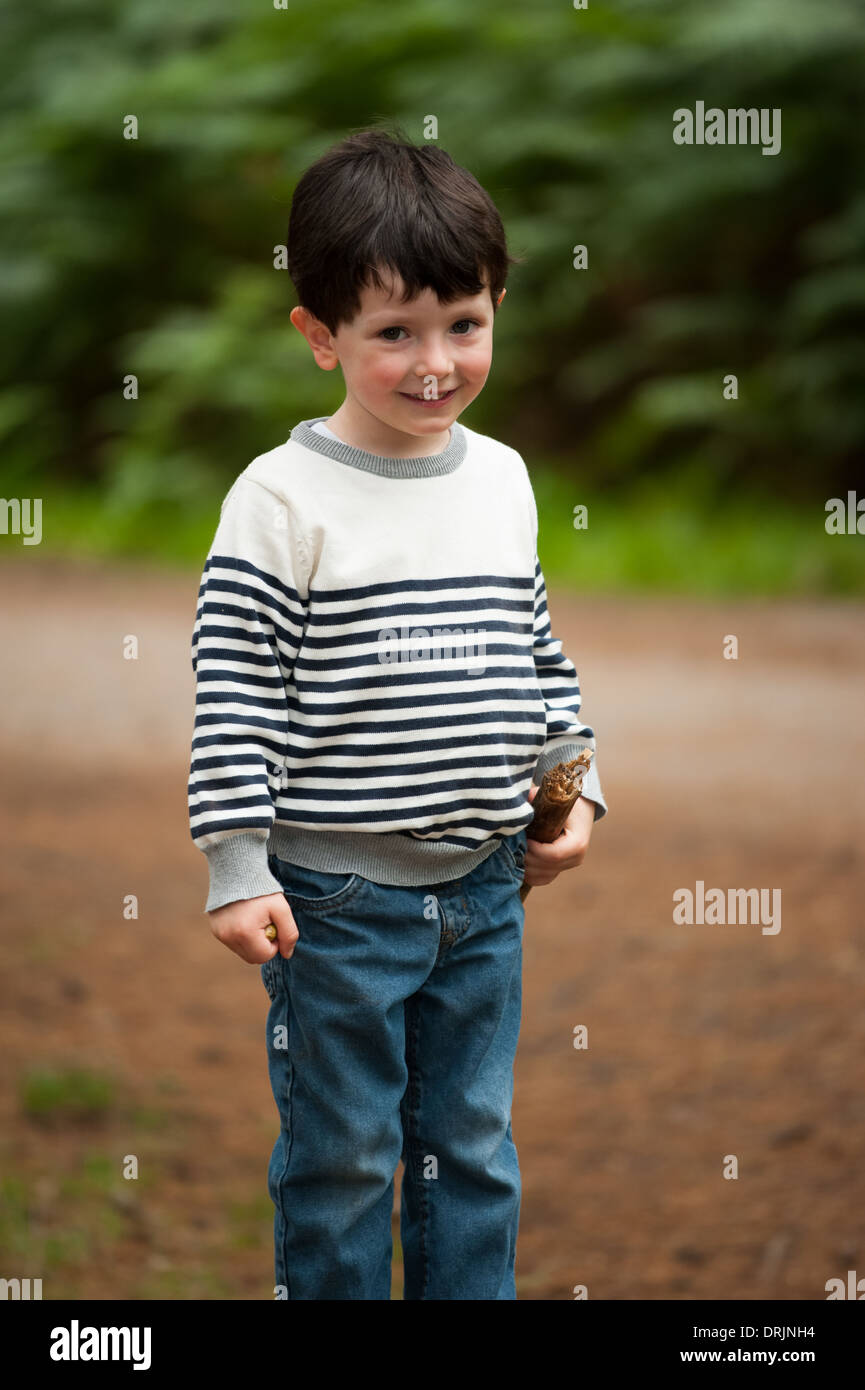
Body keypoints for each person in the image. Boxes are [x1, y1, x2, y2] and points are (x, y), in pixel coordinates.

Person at [187, 126, 607, 1300]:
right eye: (393, 334)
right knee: (344, 1158)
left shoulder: (501, 477)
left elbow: (535, 649)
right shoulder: (281, 500)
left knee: (471, 1149)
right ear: (319, 336)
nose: (435, 363)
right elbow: (234, 689)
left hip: (485, 889)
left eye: (462, 324)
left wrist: (575, 788)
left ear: (497, 306)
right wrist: (236, 864)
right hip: (337, 904)